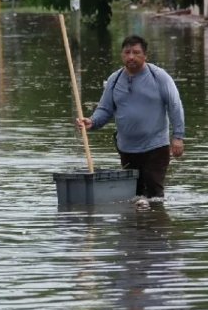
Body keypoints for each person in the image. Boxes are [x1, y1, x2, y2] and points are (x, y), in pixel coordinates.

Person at [76, 35, 185, 198]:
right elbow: (105, 109)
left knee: (154, 194)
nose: (131, 57)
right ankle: (137, 223)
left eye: (136, 52)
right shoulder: (115, 80)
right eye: (127, 52)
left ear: (145, 55)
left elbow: (175, 105)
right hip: (127, 149)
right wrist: (92, 121)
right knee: (134, 195)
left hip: (155, 147)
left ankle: (156, 222)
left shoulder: (159, 77)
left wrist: (178, 137)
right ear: (122, 55)